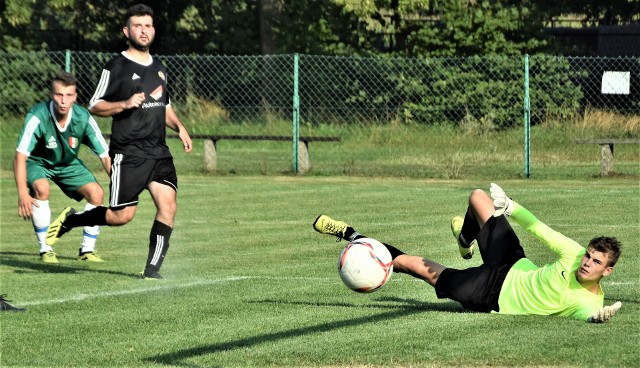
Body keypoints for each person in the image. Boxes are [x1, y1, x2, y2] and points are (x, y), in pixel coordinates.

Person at [313, 183, 623, 323]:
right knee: (477, 197)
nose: (587, 262)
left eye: (596, 262)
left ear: (607, 271)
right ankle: (465, 239)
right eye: (588, 256)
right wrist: (511, 207)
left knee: (406, 264)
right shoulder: (576, 253)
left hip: (491, 295)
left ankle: (348, 233)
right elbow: (541, 229)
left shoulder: (590, 302)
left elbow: (587, 314)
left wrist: (598, 317)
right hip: (513, 263)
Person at [45, 3, 192, 280]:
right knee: (121, 216)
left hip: (159, 151)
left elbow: (165, 106)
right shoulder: (116, 66)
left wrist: (180, 128)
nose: (144, 30)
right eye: (138, 25)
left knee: (169, 206)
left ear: (154, 30)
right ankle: (74, 219)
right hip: (129, 152)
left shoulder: (160, 68)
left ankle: (151, 270)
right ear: (127, 31)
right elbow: (94, 106)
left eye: (148, 25)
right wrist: (124, 103)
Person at [14, 71, 110, 263]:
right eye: (59, 95)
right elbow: (20, 157)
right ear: (52, 95)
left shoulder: (83, 118)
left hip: (68, 163)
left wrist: (120, 187)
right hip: (38, 162)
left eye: (68, 95)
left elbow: (106, 156)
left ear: (75, 96)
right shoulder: (38, 115)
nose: (63, 101)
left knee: (97, 194)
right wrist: (23, 193)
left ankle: (86, 251)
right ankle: (45, 249)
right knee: (42, 188)